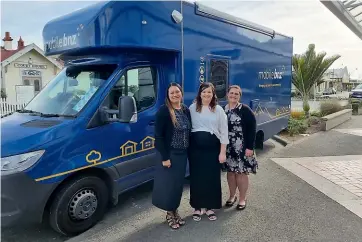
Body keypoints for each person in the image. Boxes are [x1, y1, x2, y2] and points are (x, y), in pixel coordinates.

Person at [152, 82, 192, 229]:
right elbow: (159, 137)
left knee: (177, 186)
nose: (175, 95)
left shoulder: (185, 110)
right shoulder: (163, 111)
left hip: (182, 154)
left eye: (177, 92)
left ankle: (175, 210)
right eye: (172, 93)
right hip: (170, 154)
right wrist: (165, 158)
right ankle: (169, 213)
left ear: (181, 93)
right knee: (168, 186)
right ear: (168, 96)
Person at [188, 82, 229, 221]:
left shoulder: (218, 110)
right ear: (200, 94)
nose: (206, 94)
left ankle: (210, 207)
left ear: (213, 94)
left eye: (209, 92)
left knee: (212, 177)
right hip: (195, 149)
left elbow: (224, 132)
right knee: (197, 178)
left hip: (213, 149)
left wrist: (222, 152)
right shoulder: (192, 108)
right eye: (204, 92)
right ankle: (197, 207)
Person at [223, 85, 258, 210]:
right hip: (228, 148)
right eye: (231, 93)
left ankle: (242, 198)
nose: (233, 95)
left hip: (242, 147)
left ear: (239, 96)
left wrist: (250, 147)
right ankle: (232, 196)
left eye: (236, 94)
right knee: (231, 173)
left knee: (241, 173)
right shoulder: (223, 109)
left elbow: (252, 129)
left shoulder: (245, 110)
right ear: (227, 94)